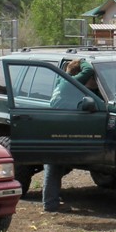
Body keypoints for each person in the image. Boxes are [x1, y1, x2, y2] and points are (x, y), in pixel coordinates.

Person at [43, 59, 96, 212]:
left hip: (56, 127)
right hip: (57, 129)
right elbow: (88, 71)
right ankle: (50, 204)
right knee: (53, 167)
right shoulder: (68, 83)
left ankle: (51, 200)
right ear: (75, 75)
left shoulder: (62, 81)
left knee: (55, 167)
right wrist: (84, 60)